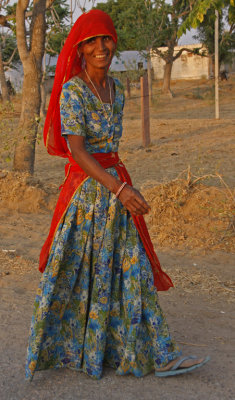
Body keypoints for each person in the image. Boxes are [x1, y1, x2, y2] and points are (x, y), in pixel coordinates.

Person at [25, 9, 209, 381]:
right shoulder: (72, 91)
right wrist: (121, 189)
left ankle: (161, 354)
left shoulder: (119, 90)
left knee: (133, 272)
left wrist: (121, 189)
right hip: (87, 196)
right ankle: (69, 351)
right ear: (80, 49)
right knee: (76, 274)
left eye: (106, 39)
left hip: (116, 195)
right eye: (91, 41)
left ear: (114, 43)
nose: (100, 47)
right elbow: (77, 151)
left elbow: (110, 150)